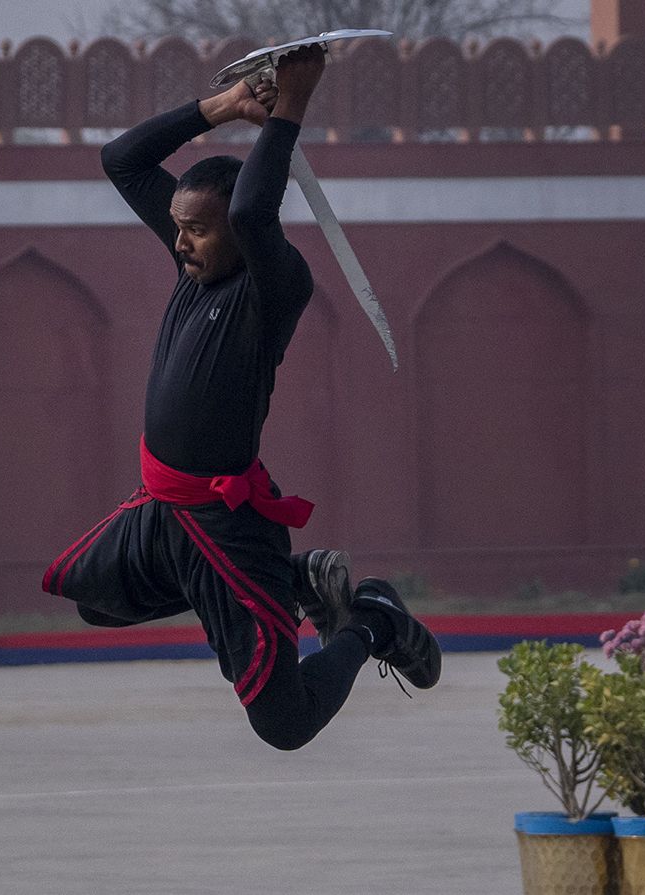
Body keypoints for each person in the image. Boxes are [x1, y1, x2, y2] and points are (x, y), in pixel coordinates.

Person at [41, 45, 441, 750]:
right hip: (161, 511)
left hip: (227, 526)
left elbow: (257, 212)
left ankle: (373, 617)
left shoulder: (273, 288)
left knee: (283, 723)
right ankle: (299, 581)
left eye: (198, 229)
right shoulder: (191, 267)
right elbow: (121, 159)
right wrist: (223, 108)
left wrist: (292, 105)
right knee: (93, 600)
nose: (183, 241)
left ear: (235, 236)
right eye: (179, 227)